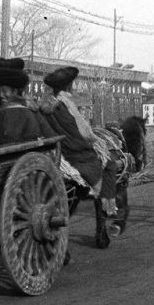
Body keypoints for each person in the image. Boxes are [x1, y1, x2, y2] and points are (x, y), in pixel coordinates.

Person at [38, 66, 118, 215]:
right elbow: (82, 133)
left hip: (55, 150)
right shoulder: (67, 106)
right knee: (110, 162)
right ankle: (108, 204)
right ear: (68, 86)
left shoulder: (44, 106)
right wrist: (95, 142)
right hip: (73, 154)